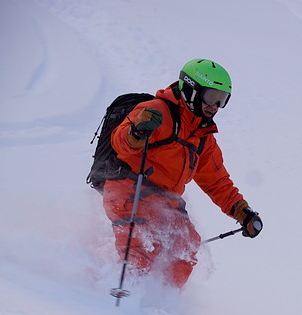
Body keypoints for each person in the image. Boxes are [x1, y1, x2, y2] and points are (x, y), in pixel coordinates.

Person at [103, 58, 262, 288]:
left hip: (165, 202)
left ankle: (160, 303)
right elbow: (120, 142)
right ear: (190, 89)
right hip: (129, 189)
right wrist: (137, 131)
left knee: (186, 246)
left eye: (222, 100)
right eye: (210, 96)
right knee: (143, 247)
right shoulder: (157, 112)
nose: (214, 106)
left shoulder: (202, 136)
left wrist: (242, 211)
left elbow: (217, 181)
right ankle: (119, 297)